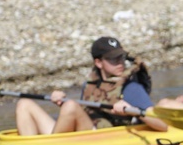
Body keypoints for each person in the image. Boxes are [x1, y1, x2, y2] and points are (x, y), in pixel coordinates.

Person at [15, 37, 167, 135]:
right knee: (24, 104)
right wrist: (62, 102)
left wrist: (133, 111)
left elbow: (162, 125)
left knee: (71, 106)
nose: (120, 63)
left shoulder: (131, 88)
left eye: (121, 58)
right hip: (86, 132)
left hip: (103, 137)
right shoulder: (90, 84)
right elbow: (84, 113)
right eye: (113, 59)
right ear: (98, 62)